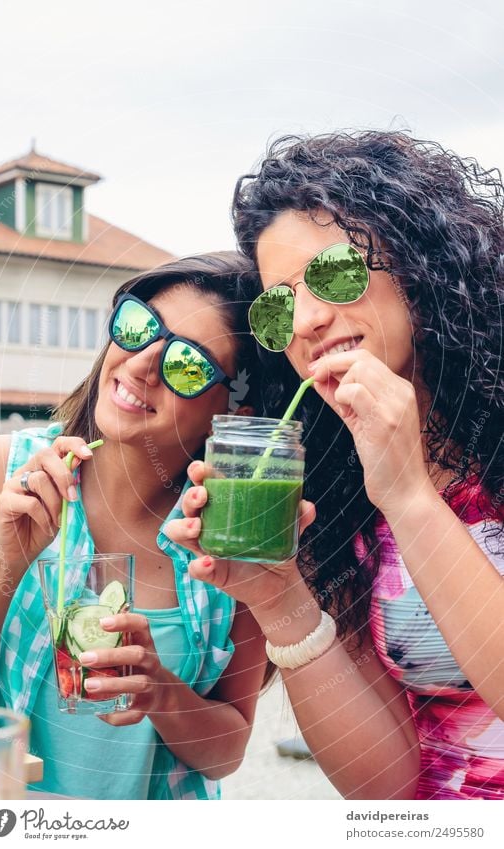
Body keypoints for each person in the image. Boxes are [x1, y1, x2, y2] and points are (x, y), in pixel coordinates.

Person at [166, 132, 504, 800]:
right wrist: (278, 596)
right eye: (278, 304)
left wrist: (408, 496)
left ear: (419, 264)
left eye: (335, 275)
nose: (310, 319)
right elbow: (384, 785)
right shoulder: (338, 490)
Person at [0, 252, 267, 800]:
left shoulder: (237, 535)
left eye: (187, 363)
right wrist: (3, 564)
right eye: (138, 328)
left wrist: (162, 691)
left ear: (235, 411)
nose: (140, 365)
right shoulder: (1, 473)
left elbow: (226, 755)